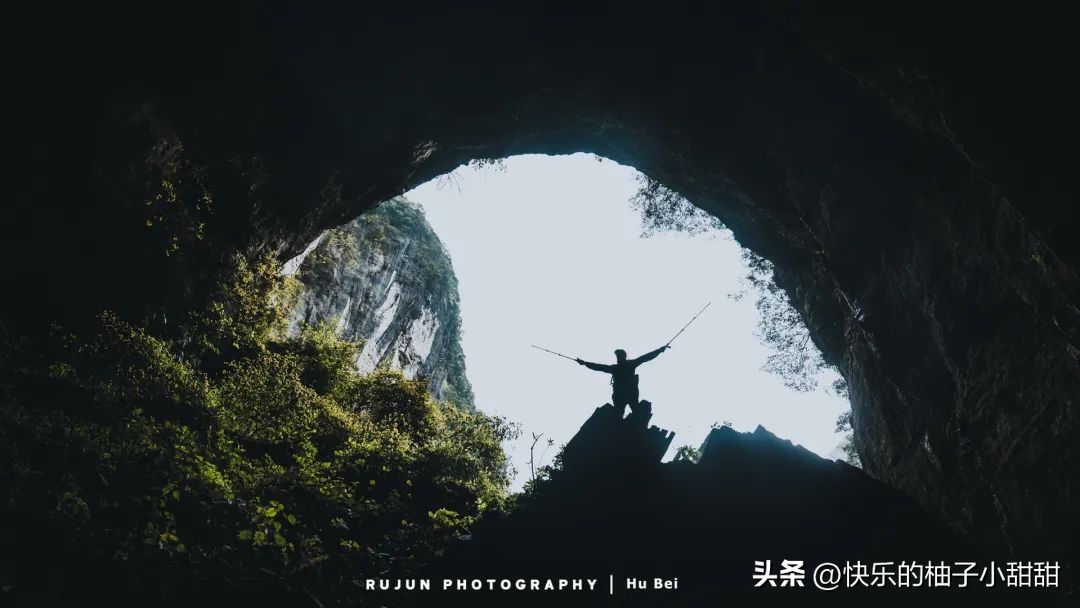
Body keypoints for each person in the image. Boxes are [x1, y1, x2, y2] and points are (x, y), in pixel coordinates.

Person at [576, 346, 669, 417]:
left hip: (627, 394)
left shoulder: (622, 366)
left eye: (619, 356)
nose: (618, 358)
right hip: (624, 394)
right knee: (621, 414)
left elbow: (646, 357)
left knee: (630, 413)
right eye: (617, 356)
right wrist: (585, 363)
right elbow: (599, 367)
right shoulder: (622, 366)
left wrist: (660, 350)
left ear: (623, 356)